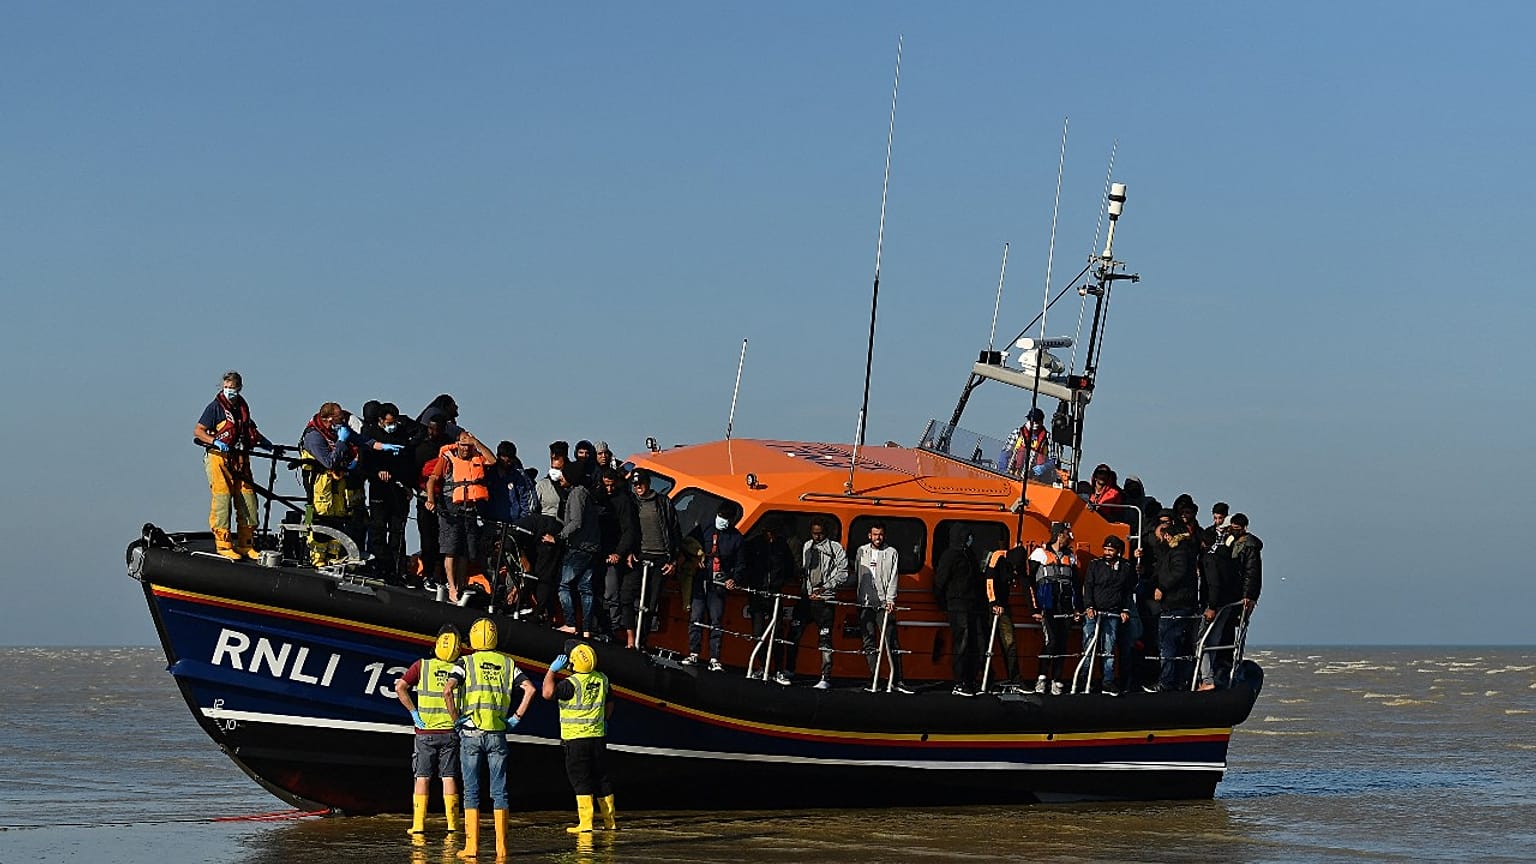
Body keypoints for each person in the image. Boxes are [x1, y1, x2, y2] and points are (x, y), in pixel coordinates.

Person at [444, 618, 535, 860]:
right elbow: (530, 689)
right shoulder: (507, 663)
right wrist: (515, 718)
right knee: (500, 792)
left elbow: (448, 690)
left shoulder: (466, 662)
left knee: (471, 792)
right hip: (498, 733)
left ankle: (471, 848)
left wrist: (456, 719)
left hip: (471, 733)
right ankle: (501, 849)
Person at [300, 402, 400, 566]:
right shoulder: (314, 436)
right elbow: (329, 462)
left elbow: (363, 441)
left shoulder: (340, 430)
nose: (343, 421)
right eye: (339, 418)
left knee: (339, 515)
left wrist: (383, 447)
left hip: (337, 482)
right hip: (318, 482)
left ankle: (333, 555)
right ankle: (317, 557)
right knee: (321, 516)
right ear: (329, 419)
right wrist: (341, 441)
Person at [193, 370, 272, 560]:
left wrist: (263, 441)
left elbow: (247, 429)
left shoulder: (242, 408)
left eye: (233, 388)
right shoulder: (215, 408)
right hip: (219, 458)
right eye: (226, 387)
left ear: (240, 388)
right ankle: (223, 544)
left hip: (240, 459)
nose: (229, 391)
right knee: (222, 500)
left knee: (248, 500)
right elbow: (198, 431)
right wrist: (214, 441)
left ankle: (246, 543)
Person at [393, 625, 464, 837]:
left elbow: (400, 687)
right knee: (449, 777)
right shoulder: (459, 669)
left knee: (422, 777)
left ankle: (418, 825)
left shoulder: (421, 666)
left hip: (425, 733)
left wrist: (414, 713)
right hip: (450, 732)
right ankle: (452, 825)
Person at [541, 642, 615, 834]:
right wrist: (604, 721)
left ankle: (586, 823)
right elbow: (610, 702)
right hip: (597, 737)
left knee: (581, 780)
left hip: (575, 740)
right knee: (602, 778)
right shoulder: (603, 679)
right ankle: (610, 821)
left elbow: (547, 693)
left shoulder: (570, 684)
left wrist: (551, 671)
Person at [426, 430, 496, 604]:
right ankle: (451, 587)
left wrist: (476, 441)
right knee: (451, 549)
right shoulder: (447, 458)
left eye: (468, 445)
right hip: (451, 507)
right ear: (457, 444)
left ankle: (460, 584)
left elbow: (492, 460)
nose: (466, 449)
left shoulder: (476, 456)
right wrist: (430, 500)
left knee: (466, 550)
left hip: (470, 509)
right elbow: (432, 480)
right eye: (463, 445)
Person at [777, 517, 848, 688]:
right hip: (806, 598)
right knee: (793, 634)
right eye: (814, 533)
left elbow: (843, 573)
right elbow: (805, 570)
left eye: (820, 534)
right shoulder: (807, 546)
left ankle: (825, 676)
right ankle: (789, 669)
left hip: (825, 600)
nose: (817, 537)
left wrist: (825, 588)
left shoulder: (835, 548)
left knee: (825, 639)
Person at [683, 502, 744, 671]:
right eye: (721, 516)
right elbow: (687, 544)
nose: (722, 520)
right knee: (696, 617)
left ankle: (714, 658)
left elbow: (740, 564)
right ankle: (694, 653)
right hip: (700, 579)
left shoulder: (736, 538)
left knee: (716, 621)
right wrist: (696, 558)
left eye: (726, 518)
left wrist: (733, 579)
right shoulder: (705, 528)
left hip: (719, 585)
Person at [1148, 502, 1201, 692]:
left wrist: (1162, 587)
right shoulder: (1177, 550)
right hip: (1177, 603)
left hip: (1176, 603)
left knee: (1169, 644)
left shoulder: (1179, 551)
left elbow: (1178, 572)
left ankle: (1167, 682)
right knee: (1177, 645)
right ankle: (1178, 681)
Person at [856, 523, 913, 693]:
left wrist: (890, 599)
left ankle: (897, 680)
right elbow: (858, 574)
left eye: (880, 535)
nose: (878, 538)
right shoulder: (861, 551)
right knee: (869, 642)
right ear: (869, 535)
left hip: (883, 604)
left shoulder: (891, 553)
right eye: (875, 534)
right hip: (865, 604)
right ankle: (874, 679)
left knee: (890, 641)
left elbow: (894, 577)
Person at [627, 469, 680, 647]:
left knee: (651, 602)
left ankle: (642, 641)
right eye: (635, 484)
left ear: (648, 483)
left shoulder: (663, 503)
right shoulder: (631, 503)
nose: (638, 487)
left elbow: (675, 532)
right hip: (638, 557)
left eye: (640, 483)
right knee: (627, 596)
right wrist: (628, 551)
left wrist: (673, 560)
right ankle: (629, 637)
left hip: (660, 559)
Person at [362, 402, 415, 579]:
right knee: (377, 529)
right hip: (379, 490)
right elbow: (365, 463)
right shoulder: (370, 435)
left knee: (397, 532)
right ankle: (381, 564)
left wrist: (408, 486)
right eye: (389, 422)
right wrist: (377, 472)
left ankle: (397, 569)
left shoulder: (401, 435)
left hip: (399, 490)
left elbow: (408, 461)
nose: (392, 426)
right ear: (380, 420)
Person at [1029, 522, 1082, 695]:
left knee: (1062, 643)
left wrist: (1077, 608)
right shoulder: (1039, 554)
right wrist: (1035, 607)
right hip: (1048, 605)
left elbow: (1076, 584)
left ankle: (1057, 679)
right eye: (1067, 533)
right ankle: (1042, 677)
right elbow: (1030, 581)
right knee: (1050, 641)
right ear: (1059, 535)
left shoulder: (1071, 557)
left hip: (1065, 605)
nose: (1070, 537)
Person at [549, 459, 600, 636]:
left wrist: (558, 537)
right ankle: (586, 629)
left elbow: (576, 522)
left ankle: (570, 623)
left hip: (579, 547)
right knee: (586, 588)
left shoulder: (577, 494)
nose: (561, 477)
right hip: (591, 547)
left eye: (564, 474)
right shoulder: (586, 493)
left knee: (564, 585)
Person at [1083, 535, 1138, 694]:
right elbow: (1088, 586)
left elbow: (1127, 591)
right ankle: (1085, 679)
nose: (1107, 552)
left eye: (1110, 550)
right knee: (1088, 647)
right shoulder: (1095, 565)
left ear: (1118, 551)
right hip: (1094, 612)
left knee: (1109, 649)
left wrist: (1125, 609)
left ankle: (1108, 681)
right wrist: (1089, 606)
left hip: (1113, 612)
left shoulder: (1125, 568)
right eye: (1105, 549)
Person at [933, 524, 983, 696]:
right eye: (967, 535)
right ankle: (959, 682)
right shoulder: (950, 555)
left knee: (974, 642)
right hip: (957, 603)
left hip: (972, 604)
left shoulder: (969, 554)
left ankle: (971, 678)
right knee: (961, 641)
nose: (970, 539)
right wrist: (942, 603)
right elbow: (940, 581)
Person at [596, 467, 639, 645]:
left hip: (613, 553)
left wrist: (619, 553)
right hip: (595, 551)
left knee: (611, 592)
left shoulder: (623, 501)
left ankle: (611, 628)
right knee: (594, 591)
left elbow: (629, 530)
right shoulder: (595, 498)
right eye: (606, 485)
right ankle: (595, 626)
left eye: (612, 485)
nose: (609, 489)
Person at [982, 544, 1025, 687]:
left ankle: (1015, 679)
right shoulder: (997, 557)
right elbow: (989, 581)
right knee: (985, 643)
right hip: (989, 606)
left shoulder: (1016, 564)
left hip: (1004, 607)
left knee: (1010, 643)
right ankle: (987, 678)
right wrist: (993, 603)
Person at [1008, 408, 1052, 480]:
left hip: (1035, 478)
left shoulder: (1048, 438)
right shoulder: (1017, 433)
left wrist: (1044, 467)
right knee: (1021, 451)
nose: (1034, 423)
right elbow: (1006, 453)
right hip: (1014, 475)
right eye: (1031, 420)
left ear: (1042, 422)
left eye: (1036, 421)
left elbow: (1054, 460)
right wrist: (1002, 470)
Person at [536, 441, 570, 518]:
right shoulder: (542, 485)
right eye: (552, 457)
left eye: (557, 457)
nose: (553, 460)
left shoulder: (573, 483)